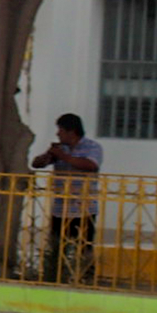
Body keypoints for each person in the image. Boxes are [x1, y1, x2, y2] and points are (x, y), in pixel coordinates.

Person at [31, 111, 103, 285]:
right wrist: (48, 156)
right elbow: (36, 164)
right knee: (57, 245)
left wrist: (64, 157)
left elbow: (90, 165)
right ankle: (55, 276)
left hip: (84, 208)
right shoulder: (59, 150)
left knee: (84, 246)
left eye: (61, 130)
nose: (58, 134)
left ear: (72, 131)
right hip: (61, 207)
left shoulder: (93, 147)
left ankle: (86, 279)